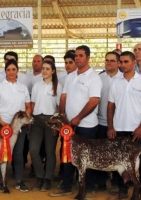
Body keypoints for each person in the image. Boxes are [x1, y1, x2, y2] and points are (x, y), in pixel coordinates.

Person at [50, 45, 102, 200]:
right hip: (69, 127)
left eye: (80, 55)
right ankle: (66, 186)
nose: (77, 58)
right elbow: (63, 97)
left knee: (88, 159)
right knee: (68, 157)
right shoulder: (71, 76)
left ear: (87, 58)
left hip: (87, 126)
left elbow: (94, 101)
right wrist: (62, 118)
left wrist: (78, 118)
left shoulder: (94, 77)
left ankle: (90, 187)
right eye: (76, 56)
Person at [0, 59, 31, 192]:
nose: (11, 72)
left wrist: (21, 120)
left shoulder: (23, 87)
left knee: (18, 154)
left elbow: (28, 107)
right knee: (1, 155)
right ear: (5, 72)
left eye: (13, 69)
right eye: (8, 70)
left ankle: (19, 180)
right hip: (2, 126)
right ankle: (2, 181)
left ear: (17, 71)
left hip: (18, 128)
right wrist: (2, 123)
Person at [107, 51, 141, 199]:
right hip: (119, 128)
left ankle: (138, 190)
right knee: (120, 161)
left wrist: (140, 128)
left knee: (138, 160)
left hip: (136, 129)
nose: (123, 65)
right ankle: (122, 188)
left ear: (134, 62)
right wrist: (110, 127)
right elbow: (110, 106)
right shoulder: (115, 82)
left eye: (126, 61)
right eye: (121, 62)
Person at [29, 60, 62, 192]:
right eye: (43, 68)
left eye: (47, 69)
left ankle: (48, 179)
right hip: (37, 120)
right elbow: (32, 104)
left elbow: (59, 107)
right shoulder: (37, 85)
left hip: (51, 121)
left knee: (49, 151)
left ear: (53, 71)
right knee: (34, 150)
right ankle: (39, 177)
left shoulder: (58, 87)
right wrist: (31, 120)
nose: (44, 71)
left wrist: (57, 125)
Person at [96, 52, 122, 193]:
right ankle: (100, 182)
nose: (109, 63)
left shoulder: (123, 79)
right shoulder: (98, 78)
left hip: (118, 123)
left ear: (118, 63)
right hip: (100, 122)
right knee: (101, 153)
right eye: (107, 60)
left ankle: (117, 183)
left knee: (117, 154)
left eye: (112, 60)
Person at [54, 51, 77, 181]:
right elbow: (60, 99)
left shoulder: (80, 77)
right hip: (65, 121)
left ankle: (78, 176)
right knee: (64, 146)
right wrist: (61, 117)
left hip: (78, 120)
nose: (68, 65)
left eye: (70, 62)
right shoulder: (62, 79)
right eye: (66, 63)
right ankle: (63, 173)